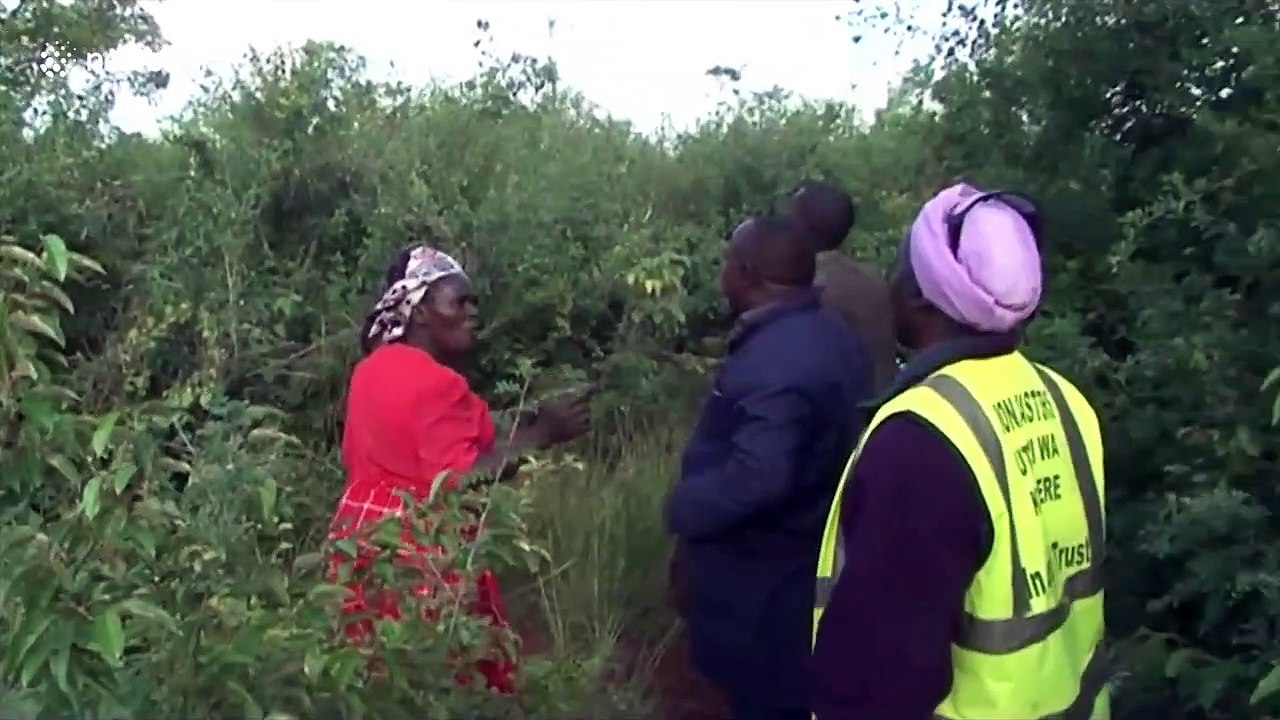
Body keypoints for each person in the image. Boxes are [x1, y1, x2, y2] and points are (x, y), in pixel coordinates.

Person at [810, 184, 1109, 719]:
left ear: (921, 296)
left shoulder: (922, 440)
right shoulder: (1065, 400)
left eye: (902, 265)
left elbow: (880, 681)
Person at [328, 243, 591, 693]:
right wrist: (542, 434)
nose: (472, 312)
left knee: (368, 677)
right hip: (417, 554)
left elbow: (422, 445)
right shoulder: (439, 382)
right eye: (459, 301)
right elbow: (455, 481)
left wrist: (523, 426)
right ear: (422, 310)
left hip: (357, 546)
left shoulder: (371, 370)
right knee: (438, 680)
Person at [665, 215, 874, 720]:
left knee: (765, 695)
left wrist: (682, 508)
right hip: (811, 555)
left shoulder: (778, 360)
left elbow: (760, 476)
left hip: (764, 576)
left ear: (746, 272)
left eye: (726, 265)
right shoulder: (832, 333)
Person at [785, 179, 898, 392]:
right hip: (882, 405)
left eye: (791, 215)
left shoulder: (807, 287)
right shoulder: (873, 279)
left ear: (800, 224)